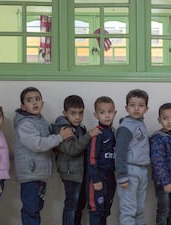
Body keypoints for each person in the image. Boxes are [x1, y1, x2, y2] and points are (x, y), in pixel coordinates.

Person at [13, 87, 73, 225]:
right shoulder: (25, 124)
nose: (34, 103)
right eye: (29, 100)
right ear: (23, 106)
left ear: (42, 103)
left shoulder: (41, 121)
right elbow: (38, 144)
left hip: (38, 174)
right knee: (31, 209)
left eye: (37, 99)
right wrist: (60, 137)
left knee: (37, 207)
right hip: (30, 174)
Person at [51, 95, 100, 225]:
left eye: (80, 113)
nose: (77, 117)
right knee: (71, 207)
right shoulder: (63, 128)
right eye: (73, 113)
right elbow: (72, 149)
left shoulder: (80, 128)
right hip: (70, 174)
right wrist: (89, 135)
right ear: (65, 113)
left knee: (79, 206)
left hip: (81, 173)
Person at [115, 89, 150, 225]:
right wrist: (122, 175)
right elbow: (120, 152)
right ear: (126, 107)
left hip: (142, 171)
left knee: (139, 209)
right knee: (128, 210)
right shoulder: (126, 127)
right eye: (132, 105)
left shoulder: (140, 124)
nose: (136, 108)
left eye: (141, 105)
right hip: (129, 172)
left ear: (146, 109)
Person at [86, 96, 117, 225]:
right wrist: (96, 179)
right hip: (98, 177)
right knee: (96, 210)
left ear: (114, 113)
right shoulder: (96, 134)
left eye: (109, 112)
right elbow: (92, 158)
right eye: (102, 112)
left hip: (110, 176)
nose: (106, 115)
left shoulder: (114, 132)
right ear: (96, 115)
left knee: (105, 210)